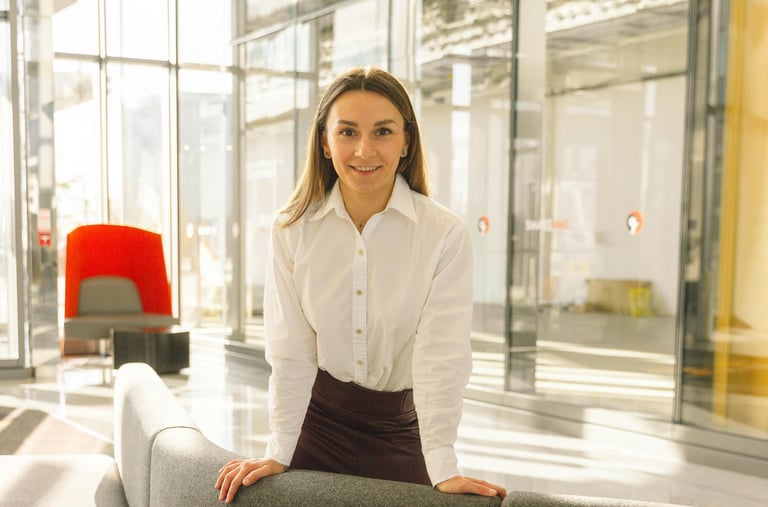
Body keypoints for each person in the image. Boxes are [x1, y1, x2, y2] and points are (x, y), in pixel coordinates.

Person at [215, 66, 507, 504]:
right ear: (325, 142)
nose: (364, 150)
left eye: (383, 132)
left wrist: (443, 465)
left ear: (406, 141)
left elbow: (441, 359)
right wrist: (279, 448)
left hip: (401, 435)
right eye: (347, 132)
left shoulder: (444, 235)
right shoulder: (291, 230)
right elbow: (290, 351)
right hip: (314, 428)